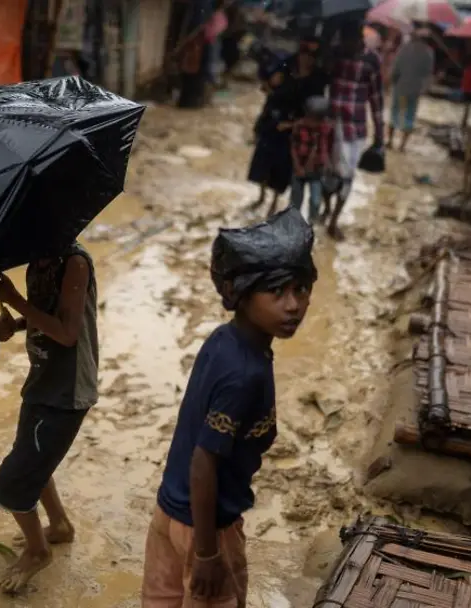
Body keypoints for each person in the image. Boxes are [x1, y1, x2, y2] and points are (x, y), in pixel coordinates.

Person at [141, 210, 316, 608]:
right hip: (208, 530)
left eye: (302, 289)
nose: (294, 306)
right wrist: (206, 554)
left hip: (168, 512)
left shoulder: (224, 340)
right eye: (277, 293)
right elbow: (205, 460)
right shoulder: (246, 373)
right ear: (243, 292)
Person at [0, 242, 99, 594]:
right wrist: (14, 324)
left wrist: (16, 299)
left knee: (14, 480)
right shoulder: (38, 259)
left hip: (66, 392)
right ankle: (60, 525)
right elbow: (45, 313)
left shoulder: (75, 263)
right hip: (41, 382)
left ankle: (37, 551)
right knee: (35, 458)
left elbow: (67, 333)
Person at [325, 21, 385, 241]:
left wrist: (380, 135)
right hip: (330, 125)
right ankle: (326, 208)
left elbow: (377, 99)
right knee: (328, 173)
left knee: (347, 175)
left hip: (354, 129)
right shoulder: (334, 55)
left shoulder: (372, 61)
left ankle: (333, 219)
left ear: (358, 40)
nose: (345, 45)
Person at [248, 61, 297, 215]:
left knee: (280, 171)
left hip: (283, 139)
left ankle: (273, 203)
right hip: (268, 134)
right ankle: (261, 197)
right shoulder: (272, 95)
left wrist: (288, 125)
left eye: (277, 76)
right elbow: (264, 114)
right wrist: (257, 130)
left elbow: (299, 118)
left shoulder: (291, 94)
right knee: (262, 167)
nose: (274, 78)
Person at [387, 28, 434, 152]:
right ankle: (402, 146)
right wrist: (424, 88)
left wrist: (391, 81)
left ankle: (390, 142)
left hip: (401, 87)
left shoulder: (404, 49)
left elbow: (396, 67)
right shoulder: (429, 53)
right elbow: (428, 73)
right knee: (409, 116)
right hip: (415, 89)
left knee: (395, 113)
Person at [290, 96, 333, 223]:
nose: (312, 122)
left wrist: (327, 165)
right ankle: (294, 224)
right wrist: (297, 166)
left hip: (316, 170)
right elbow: (293, 147)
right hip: (299, 168)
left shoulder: (326, 129)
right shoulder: (299, 126)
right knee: (295, 200)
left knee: (315, 200)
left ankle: (311, 224)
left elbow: (326, 149)